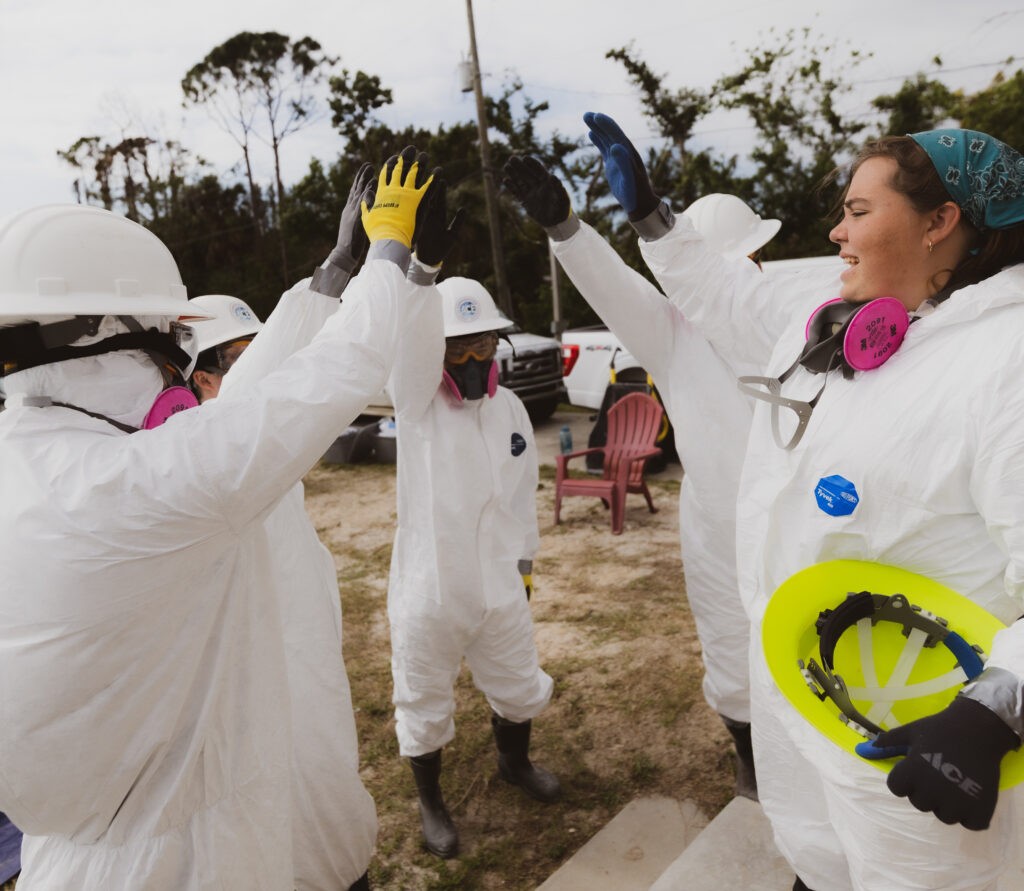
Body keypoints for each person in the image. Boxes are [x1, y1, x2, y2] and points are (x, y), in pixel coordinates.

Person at [584, 112, 1024, 891]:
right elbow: (721, 296)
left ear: (941, 222)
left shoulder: (1005, 363)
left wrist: (994, 706)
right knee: (815, 855)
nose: (835, 231)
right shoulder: (836, 319)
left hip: (925, 733)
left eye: (858, 211)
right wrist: (654, 219)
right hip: (811, 700)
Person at [0, 144, 438, 890]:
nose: (175, 370)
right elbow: (316, 389)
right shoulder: (135, 485)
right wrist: (390, 259)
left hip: (72, 856)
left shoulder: (40, 461)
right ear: (107, 338)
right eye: (168, 346)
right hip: (179, 859)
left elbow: (243, 407)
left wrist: (328, 279)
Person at [503, 158, 786, 801]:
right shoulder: (673, 336)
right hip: (717, 525)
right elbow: (613, 288)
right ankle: (747, 759)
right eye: (739, 261)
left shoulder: (788, 327)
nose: (748, 273)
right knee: (727, 641)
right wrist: (567, 228)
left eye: (753, 262)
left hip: (797, 521)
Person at [387, 274, 561, 859]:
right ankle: (432, 802)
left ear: (496, 345)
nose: (466, 358)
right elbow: (405, 358)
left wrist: (525, 569)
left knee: (518, 685)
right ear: (431, 352)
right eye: (452, 347)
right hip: (431, 587)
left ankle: (515, 763)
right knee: (424, 698)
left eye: (479, 345)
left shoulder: (509, 408)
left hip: (498, 581)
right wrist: (415, 277)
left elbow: (522, 497)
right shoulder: (415, 405)